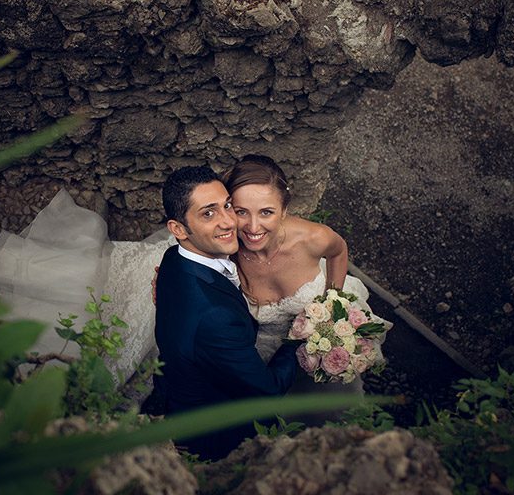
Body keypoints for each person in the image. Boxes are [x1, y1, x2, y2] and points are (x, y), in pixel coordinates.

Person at [223, 154, 389, 422]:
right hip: (266, 353)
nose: (253, 227)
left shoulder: (313, 238)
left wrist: (334, 299)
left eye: (266, 212)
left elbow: (339, 250)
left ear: (284, 210)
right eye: (241, 212)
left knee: (330, 407)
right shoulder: (223, 248)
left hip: (319, 349)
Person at [154, 165, 300, 459]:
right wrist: (302, 338)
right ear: (178, 229)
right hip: (217, 433)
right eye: (208, 213)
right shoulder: (214, 318)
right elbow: (268, 392)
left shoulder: (175, 258)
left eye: (227, 206)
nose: (229, 222)